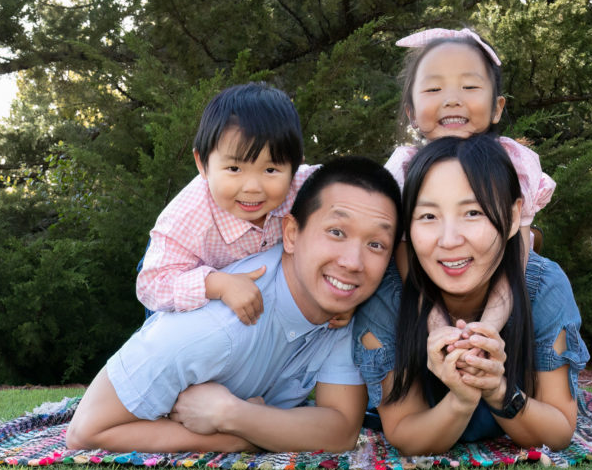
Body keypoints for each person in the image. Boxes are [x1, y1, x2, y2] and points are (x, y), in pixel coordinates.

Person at [66, 157, 402, 454]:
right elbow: (86, 430)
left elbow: (341, 430)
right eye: (337, 232)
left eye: (376, 243)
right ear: (291, 234)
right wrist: (235, 441)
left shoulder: (342, 312)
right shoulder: (213, 330)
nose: (354, 262)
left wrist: (231, 415)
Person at [353, 135, 589, 456]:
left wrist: (497, 390)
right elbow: (405, 434)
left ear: (513, 217)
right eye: (428, 216)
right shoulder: (388, 295)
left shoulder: (543, 287)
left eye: (473, 213)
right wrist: (461, 400)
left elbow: (558, 431)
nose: (449, 240)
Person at [136, 82, 317, 325]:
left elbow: (353, 199)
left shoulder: (307, 185)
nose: (252, 187)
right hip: (177, 266)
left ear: (295, 168)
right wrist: (217, 284)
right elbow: (151, 287)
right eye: (234, 168)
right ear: (202, 164)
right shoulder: (186, 218)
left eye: (271, 169)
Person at [386, 27, 556, 268]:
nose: (453, 99)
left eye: (469, 87)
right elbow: (403, 247)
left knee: (547, 274)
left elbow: (519, 249)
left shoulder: (514, 162)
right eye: (434, 89)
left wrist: (503, 301)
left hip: (504, 274)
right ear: (412, 112)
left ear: (497, 108)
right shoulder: (404, 167)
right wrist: (422, 303)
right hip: (425, 279)